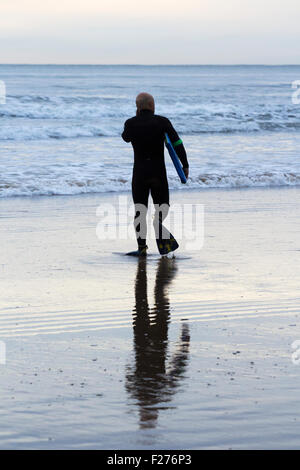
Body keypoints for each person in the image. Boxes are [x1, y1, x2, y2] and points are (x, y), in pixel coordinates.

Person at [122, 92, 189, 256]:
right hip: (158, 173)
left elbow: (125, 138)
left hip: (139, 174)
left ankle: (142, 248)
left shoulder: (131, 123)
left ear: (138, 107)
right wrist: (184, 164)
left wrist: (136, 118)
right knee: (163, 207)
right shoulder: (162, 122)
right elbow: (177, 143)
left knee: (140, 211)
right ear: (152, 105)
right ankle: (157, 224)